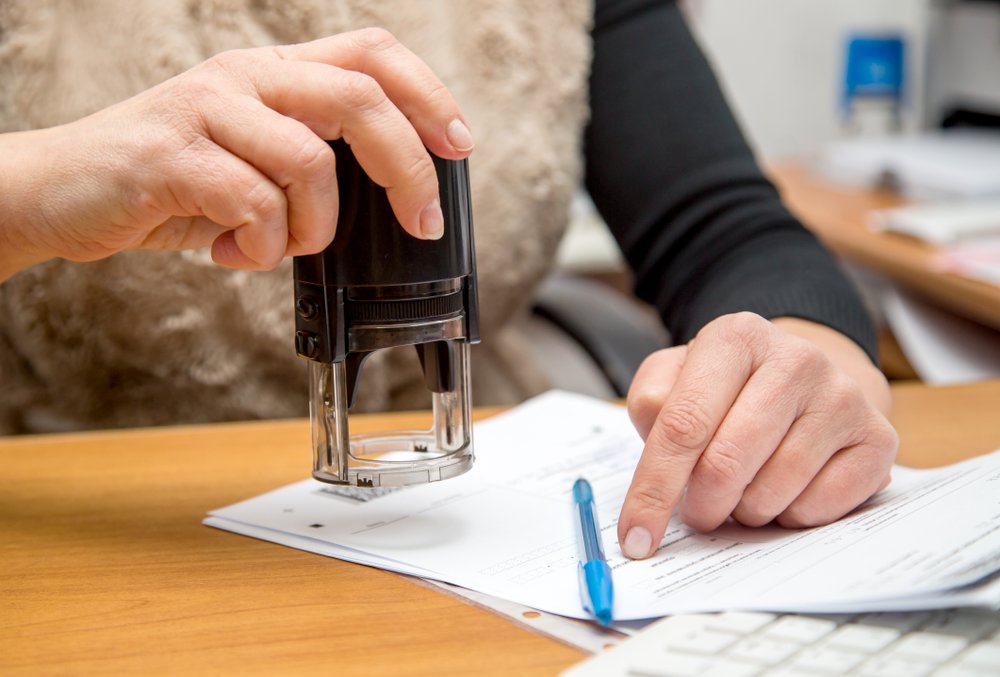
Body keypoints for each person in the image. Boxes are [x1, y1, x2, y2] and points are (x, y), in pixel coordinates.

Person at [0, 0, 896, 560]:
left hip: (488, 534)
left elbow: (727, 227)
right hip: (99, 540)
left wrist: (803, 364)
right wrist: (33, 187)